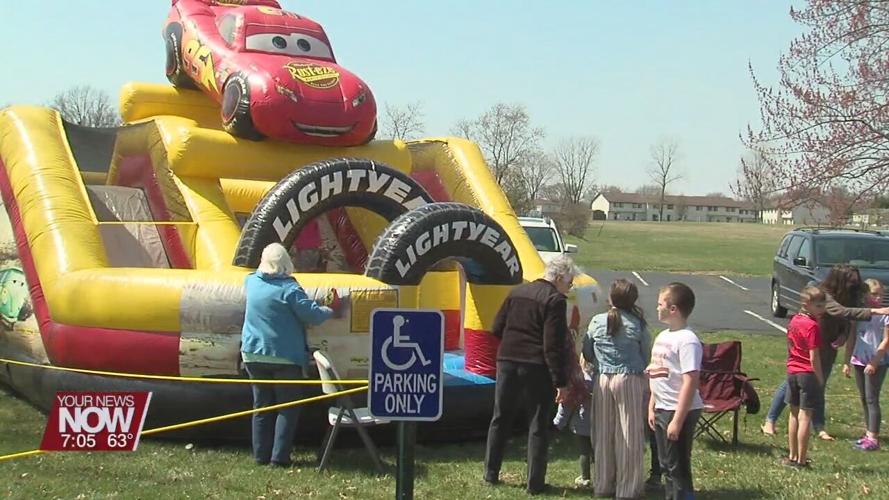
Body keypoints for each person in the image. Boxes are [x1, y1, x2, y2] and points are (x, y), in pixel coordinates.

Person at [761, 265, 889, 440]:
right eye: (851, 283)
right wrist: (875, 310)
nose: (854, 286)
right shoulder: (823, 294)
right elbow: (841, 311)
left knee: (819, 385)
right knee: (793, 383)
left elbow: (846, 319)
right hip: (810, 345)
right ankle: (770, 420)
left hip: (828, 346)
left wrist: (843, 335)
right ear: (840, 280)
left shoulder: (849, 295)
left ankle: (819, 426)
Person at [483, 255, 575, 495]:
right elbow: (552, 344)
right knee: (537, 423)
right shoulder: (555, 300)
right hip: (536, 365)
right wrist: (560, 381)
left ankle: (490, 472)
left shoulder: (517, 292)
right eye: (570, 282)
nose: (570, 287)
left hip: (507, 360)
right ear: (559, 278)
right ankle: (535, 483)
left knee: (500, 417)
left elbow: (496, 328)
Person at [241, 243, 333, 467]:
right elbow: (312, 315)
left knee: (261, 406)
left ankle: (260, 456)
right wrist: (330, 309)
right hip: (284, 356)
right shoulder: (289, 289)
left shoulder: (251, 281)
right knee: (287, 408)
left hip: (252, 353)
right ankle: (279, 457)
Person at [583, 279, 650, 499]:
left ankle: (603, 484)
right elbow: (646, 354)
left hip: (603, 378)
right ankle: (628, 488)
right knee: (629, 433)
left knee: (603, 432)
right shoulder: (637, 324)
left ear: (611, 298)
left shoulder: (597, 321)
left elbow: (587, 350)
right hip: (629, 377)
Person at [646, 282, 703, 500]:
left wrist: (677, 420)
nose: (656, 307)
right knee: (665, 464)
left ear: (673, 309)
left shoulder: (688, 341)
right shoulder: (663, 336)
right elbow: (657, 373)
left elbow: (691, 380)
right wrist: (652, 406)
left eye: (660, 304)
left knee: (677, 466)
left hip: (678, 410)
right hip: (662, 407)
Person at [842, 278, 889, 451]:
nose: (879, 298)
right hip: (859, 359)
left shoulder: (885, 314)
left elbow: (886, 341)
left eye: (881, 294)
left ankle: (873, 438)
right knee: (864, 398)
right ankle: (867, 433)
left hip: (877, 361)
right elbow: (852, 337)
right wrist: (846, 361)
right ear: (865, 294)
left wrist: (875, 362)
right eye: (874, 294)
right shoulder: (860, 313)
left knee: (872, 398)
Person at [783, 286, 827, 468]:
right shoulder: (812, 326)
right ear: (806, 305)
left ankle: (792, 455)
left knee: (793, 414)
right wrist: (820, 377)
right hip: (807, 372)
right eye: (818, 306)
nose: (822, 309)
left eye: (823, 305)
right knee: (805, 416)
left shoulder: (794, 320)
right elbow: (813, 356)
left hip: (792, 371)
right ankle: (801, 459)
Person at [552, 355, 595, 488]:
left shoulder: (578, 381)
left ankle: (585, 477)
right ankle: (601, 475)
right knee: (597, 451)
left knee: (584, 451)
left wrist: (558, 422)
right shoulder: (600, 379)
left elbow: (567, 404)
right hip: (599, 423)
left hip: (582, 424)